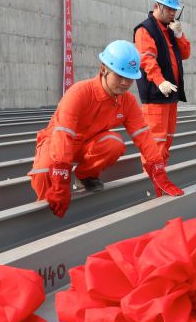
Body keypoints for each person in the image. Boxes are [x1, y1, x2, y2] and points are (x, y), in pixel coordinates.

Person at [28, 40, 184, 218]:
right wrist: (61, 178)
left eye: (130, 78)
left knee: (114, 143)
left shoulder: (127, 101)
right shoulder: (80, 93)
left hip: (87, 145)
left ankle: (85, 176)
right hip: (58, 142)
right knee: (43, 173)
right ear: (104, 70)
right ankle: (45, 213)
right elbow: (63, 133)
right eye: (119, 76)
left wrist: (158, 169)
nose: (125, 83)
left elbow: (143, 135)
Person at [134, 0, 191, 160]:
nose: (173, 13)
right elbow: (147, 60)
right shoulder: (146, 30)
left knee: (166, 142)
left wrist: (180, 35)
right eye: (169, 9)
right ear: (157, 6)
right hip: (156, 96)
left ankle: (160, 178)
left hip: (170, 95)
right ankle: (152, 182)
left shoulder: (170, 30)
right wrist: (160, 81)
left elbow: (186, 54)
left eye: (175, 9)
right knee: (155, 143)